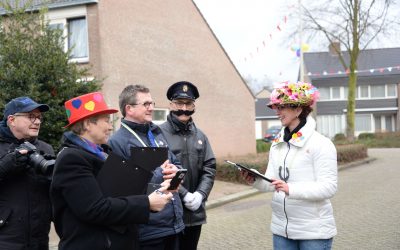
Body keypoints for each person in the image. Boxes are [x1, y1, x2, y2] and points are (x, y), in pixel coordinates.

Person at [50, 92, 173, 250]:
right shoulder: (71, 160)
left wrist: (155, 193)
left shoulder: (103, 153)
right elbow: (95, 209)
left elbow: (120, 195)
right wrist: (147, 203)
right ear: (88, 124)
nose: (110, 126)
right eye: (106, 121)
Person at [242, 81, 337, 250]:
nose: (277, 112)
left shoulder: (322, 144)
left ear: (298, 109)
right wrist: (255, 179)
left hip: (313, 233)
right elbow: (272, 183)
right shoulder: (277, 143)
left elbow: (329, 187)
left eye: (281, 107)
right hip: (282, 231)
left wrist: (290, 189)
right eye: (276, 107)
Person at [108, 85, 184, 250]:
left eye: (152, 103)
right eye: (146, 104)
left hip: (174, 226)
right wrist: (159, 173)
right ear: (129, 109)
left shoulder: (156, 132)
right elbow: (120, 192)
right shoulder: (117, 143)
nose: (151, 108)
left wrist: (176, 172)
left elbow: (175, 162)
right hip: (148, 232)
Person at [159, 81, 216, 250]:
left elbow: (210, 167)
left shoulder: (201, 136)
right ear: (171, 105)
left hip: (195, 213)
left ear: (194, 106)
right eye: (179, 103)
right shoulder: (158, 134)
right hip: (169, 214)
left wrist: (200, 194)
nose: (183, 108)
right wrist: (184, 194)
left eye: (188, 104)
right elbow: (161, 170)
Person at [0, 97, 55, 250]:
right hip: (6, 240)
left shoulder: (46, 149)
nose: (37, 122)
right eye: (31, 116)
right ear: (12, 120)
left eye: (39, 117)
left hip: (39, 239)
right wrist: (5, 165)